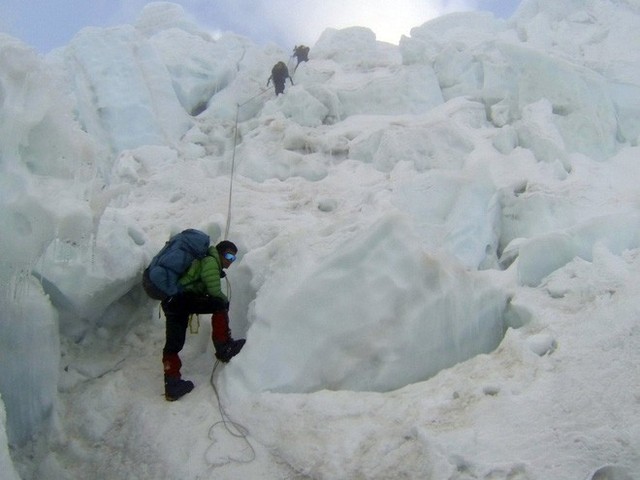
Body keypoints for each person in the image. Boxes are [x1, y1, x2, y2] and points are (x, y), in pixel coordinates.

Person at [161, 240, 245, 401]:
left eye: (233, 258)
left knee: (173, 345)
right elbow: (214, 290)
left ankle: (172, 384)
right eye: (228, 256)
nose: (230, 261)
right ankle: (224, 346)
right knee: (220, 304)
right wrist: (224, 301)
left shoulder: (205, 261)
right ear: (219, 253)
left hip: (172, 301)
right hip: (181, 301)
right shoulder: (210, 262)